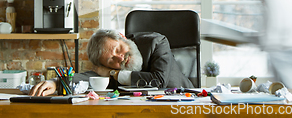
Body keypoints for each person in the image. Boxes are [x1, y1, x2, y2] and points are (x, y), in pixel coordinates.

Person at [30, 29, 193, 96]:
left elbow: (159, 81)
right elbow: (89, 77)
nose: (120, 58)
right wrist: (57, 82)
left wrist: (116, 74)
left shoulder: (157, 42)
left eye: (117, 49)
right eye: (111, 61)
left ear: (123, 36)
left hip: (185, 104)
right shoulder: (109, 69)